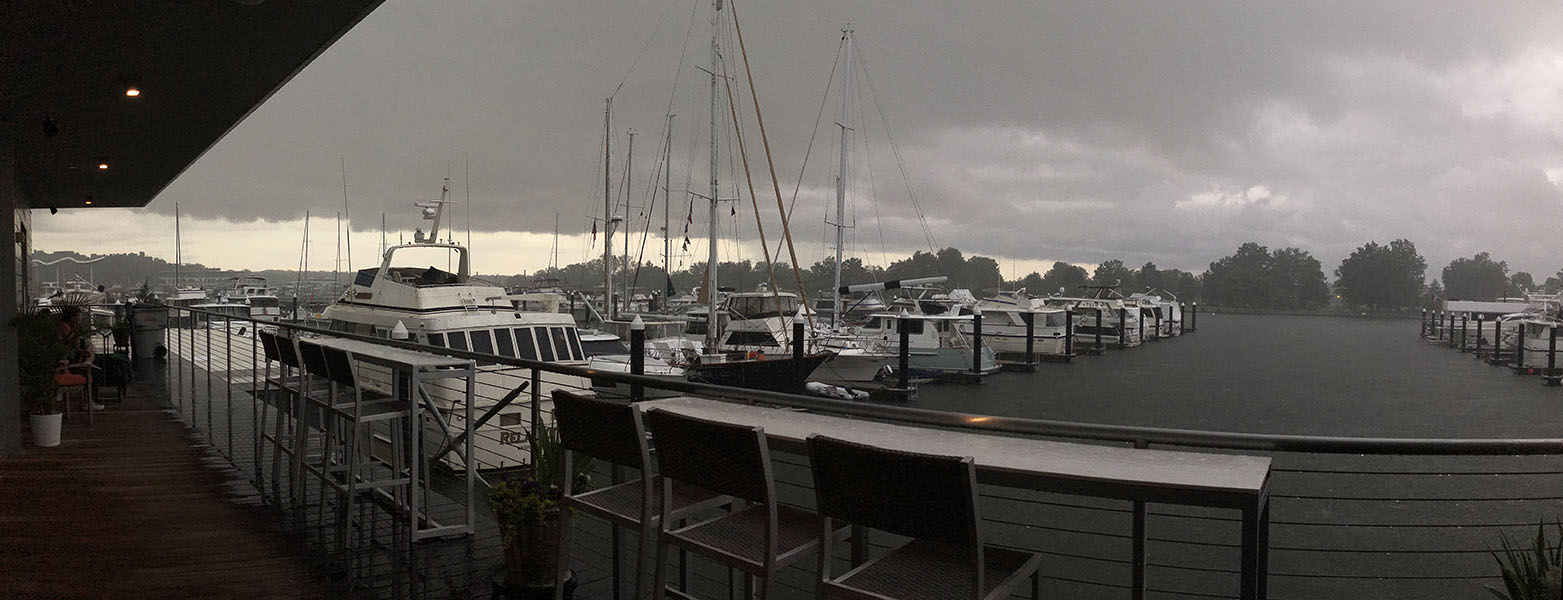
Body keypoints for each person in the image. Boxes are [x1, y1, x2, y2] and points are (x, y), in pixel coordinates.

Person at [55, 306, 100, 411]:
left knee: (93, 361)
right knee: (93, 371)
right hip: (66, 361)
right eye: (78, 317)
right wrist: (77, 331)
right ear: (72, 317)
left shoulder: (70, 327)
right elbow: (71, 345)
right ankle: (89, 400)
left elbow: (76, 347)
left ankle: (89, 399)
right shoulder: (64, 327)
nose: (79, 320)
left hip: (71, 358)